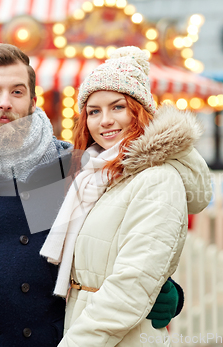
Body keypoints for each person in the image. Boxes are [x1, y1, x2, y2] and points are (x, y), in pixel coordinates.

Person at [0, 43, 183, 346]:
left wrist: (163, 287)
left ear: (32, 101)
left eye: (17, 92)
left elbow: (113, 242)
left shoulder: (74, 169)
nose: (5, 102)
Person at [40, 46, 212, 346]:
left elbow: (131, 285)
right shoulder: (97, 176)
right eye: (94, 111)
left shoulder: (157, 179)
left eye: (117, 107)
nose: (104, 120)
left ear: (140, 111)